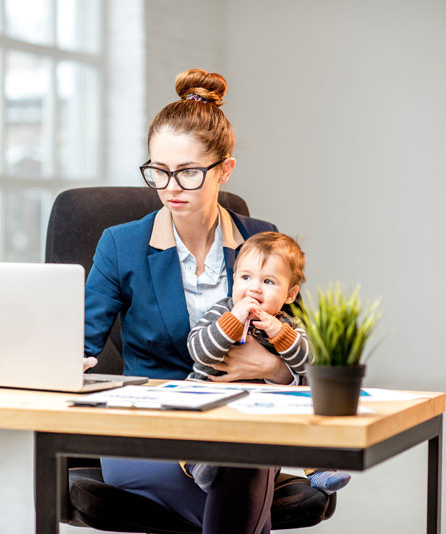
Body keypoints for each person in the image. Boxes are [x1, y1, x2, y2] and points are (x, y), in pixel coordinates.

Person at [83, 68, 294, 534]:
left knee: (240, 457)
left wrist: (270, 368)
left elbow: (303, 351)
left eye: (188, 172)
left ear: (225, 169)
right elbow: (80, 341)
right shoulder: (121, 245)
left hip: (239, 419)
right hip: (149, 430)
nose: (170, 187)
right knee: (240, 477)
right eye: (158, 171)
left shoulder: (261, 240)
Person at [184, 231, 352, 495]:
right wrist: (233, 320)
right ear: (234, 280)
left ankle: (320, 469)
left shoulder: (288, 324)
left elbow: (311, 363)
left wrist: (280, 334)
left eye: (269, 281)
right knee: (189, 431)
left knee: (307, 411)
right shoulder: (222, 312)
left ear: (289, 294)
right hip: (210, 398)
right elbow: (199, 350)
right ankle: (202, 467)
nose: (254, 288)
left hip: (262, 408)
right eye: (246, 277)